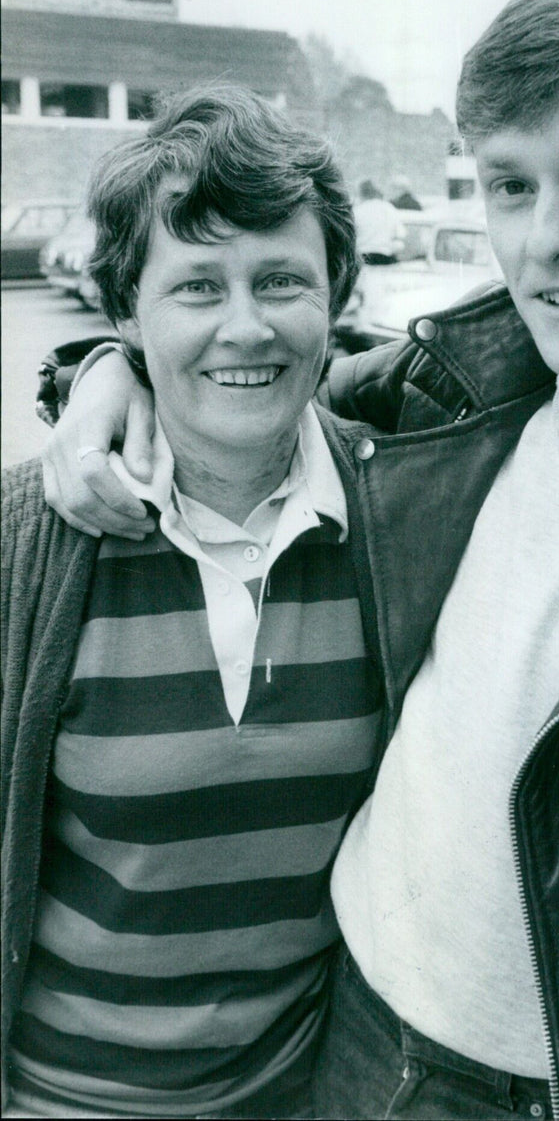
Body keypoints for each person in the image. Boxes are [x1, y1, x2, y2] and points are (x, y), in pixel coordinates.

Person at [32, 0, 559, 1121]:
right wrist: (103, 372)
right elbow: (238, 374)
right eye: (506, 184)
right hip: (349, 1056)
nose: (543, 238)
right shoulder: (444, 403)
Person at [1, 84, 388, 1118]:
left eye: (280, 280)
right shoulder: (25, 542)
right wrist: (92, 380)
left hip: (302, 1094)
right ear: (124, 310)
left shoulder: (401, 517)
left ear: (337, 294)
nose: (246, 327)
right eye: (197, 288)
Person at [352, 179, 402, 264]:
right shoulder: (389, 209)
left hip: (362, 258)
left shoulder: (357, 210)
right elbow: (400, 234)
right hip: (385, 257)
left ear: (361, 193)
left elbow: (351, 235)